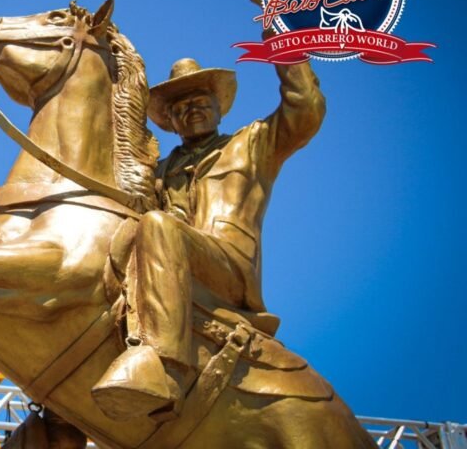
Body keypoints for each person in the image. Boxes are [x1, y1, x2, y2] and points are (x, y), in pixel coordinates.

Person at [90, 49, 325, 421]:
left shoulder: (252, 145)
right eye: (180, 108)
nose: (191, 110)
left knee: (157, 224)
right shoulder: (160, 171)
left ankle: (165, 367)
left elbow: (305, 108)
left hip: (227, 270)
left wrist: (281, 36)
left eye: (200, 102)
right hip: (170, 268)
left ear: (219, 107)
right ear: (169, 121)